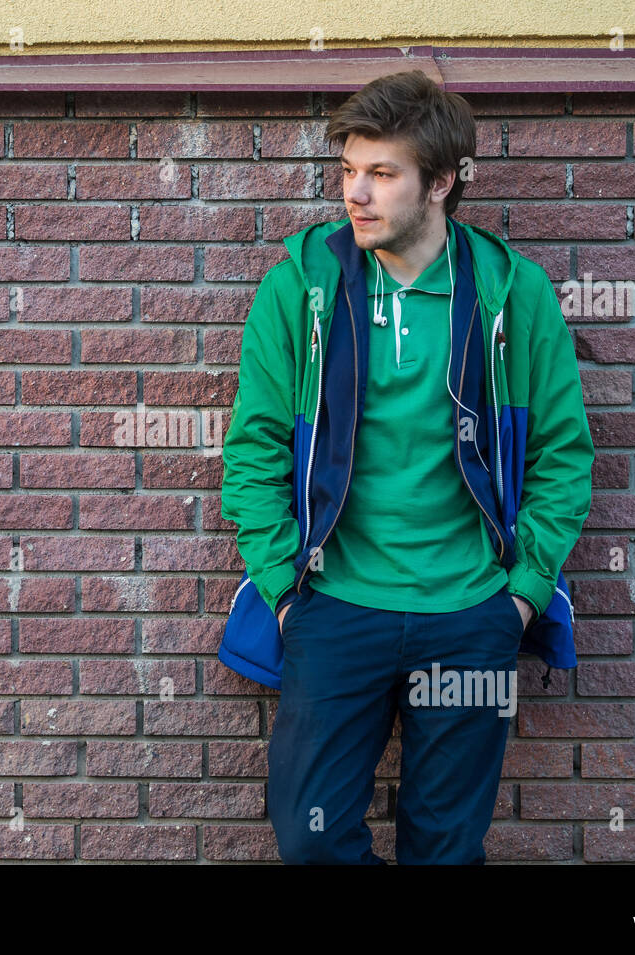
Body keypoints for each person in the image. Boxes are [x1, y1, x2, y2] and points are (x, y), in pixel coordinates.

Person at [217, 69, 595, 864]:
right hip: (333, 608)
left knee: (447, 848)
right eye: (349, 171)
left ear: (442, 183)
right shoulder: (300, 292)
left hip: (471, 614)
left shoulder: (511, 297)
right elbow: (253, 450)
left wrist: (520, 599)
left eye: (383, 174)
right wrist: (286, 593)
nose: (357, 193)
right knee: (309, 837)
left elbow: (564, 454)